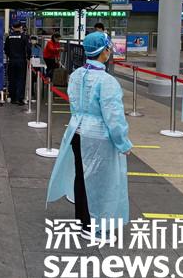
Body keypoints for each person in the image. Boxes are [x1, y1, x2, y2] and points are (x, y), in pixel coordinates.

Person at [47, 31, 132, 240]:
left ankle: (83, 219)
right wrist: (123, 142)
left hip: (76, 130)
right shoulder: (107, 81)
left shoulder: (76, 74)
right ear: (103, 51)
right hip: (98, 136)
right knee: (99, 181)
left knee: (81, 177)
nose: (109, 51)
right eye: (108, 48)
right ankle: (93, 226)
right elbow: (114, 117)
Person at [4, 21, 30, 105]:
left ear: (12, 27)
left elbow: (6, 49)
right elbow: (28, 48)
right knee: (20, 79)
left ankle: (13, 98)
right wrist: (28, 58)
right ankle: (19, 98)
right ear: (20, 27)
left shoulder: (9, 37)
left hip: (11, 60)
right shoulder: (24, 37)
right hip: (21, 61)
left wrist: (9, 55)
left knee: (12, 79)